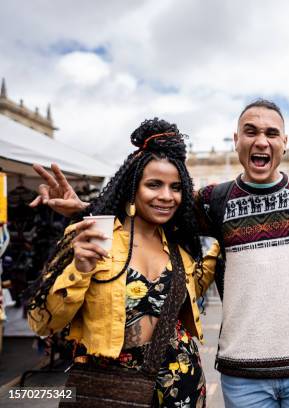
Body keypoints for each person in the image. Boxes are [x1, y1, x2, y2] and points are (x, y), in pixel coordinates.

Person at [30, 100, 289, 407]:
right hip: (240, 374)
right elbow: (155, 208)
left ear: (285, 142)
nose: (261, 141)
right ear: (236, 140)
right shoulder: (212, 200)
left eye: (271, 132)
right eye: (251, 132)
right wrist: (92, 208)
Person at [27, 119, 218, 408]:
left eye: (175, 187)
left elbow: (196, 287)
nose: (166, 196)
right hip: (111, 388)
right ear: (132, 188)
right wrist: (79, 271)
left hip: (183, 384)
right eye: (154, 184)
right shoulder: (90, 236)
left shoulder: (180, 248)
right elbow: (43, 322)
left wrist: (227, 241)